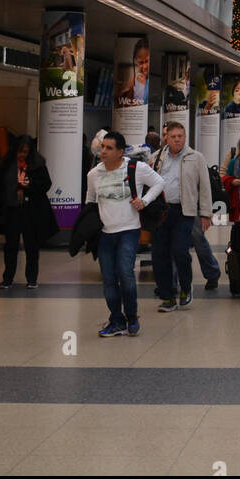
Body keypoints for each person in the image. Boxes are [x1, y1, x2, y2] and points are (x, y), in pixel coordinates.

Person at [86, 130, 164, 336]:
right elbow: (90, 201)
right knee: (109, 279)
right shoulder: (93, 174)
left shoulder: (135, 168)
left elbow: (159, 182)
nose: (103, 151)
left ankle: (131, 316)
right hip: (105, 234)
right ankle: (116, 319)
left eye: (109, 148)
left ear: (120, 152)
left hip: (129, 231)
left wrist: (144, 201)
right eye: (102, 147)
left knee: (125, 274)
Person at [150, 120, 213, 312]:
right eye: (173, 137)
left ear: (185, 137)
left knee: (180, 251)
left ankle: (186, 287)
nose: (177, 140)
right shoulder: (156, 157)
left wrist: (206, 213)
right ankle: (167, 296)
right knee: (159, 255)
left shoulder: (196, 158)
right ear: (166, 138)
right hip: (161, 212)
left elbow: (205, 187)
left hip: (184, 212)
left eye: (180, 136)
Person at [0, 134, 57, 288]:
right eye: (20, 151)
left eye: (25, 152)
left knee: (32, 245)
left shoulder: (37, 165)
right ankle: (7, 278)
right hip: (12, 209)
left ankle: (32, 279)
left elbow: (46, 183)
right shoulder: (7, 164)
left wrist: (30, 184)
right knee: (10, 245)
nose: (22, 154)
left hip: (32, 210)